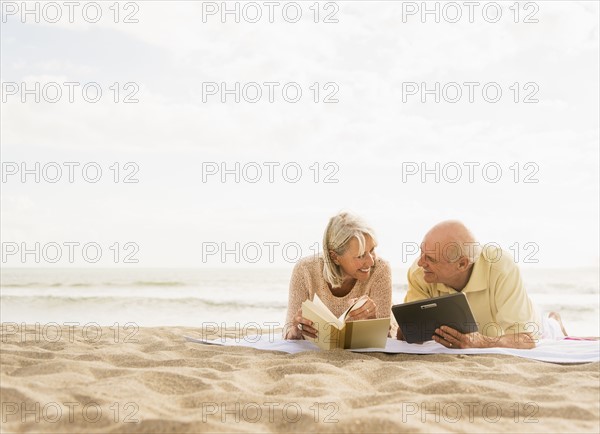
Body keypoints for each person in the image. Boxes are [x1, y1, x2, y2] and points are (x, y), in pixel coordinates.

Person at [398, 220, 545, 349]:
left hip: (538, 326)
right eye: (421, 252)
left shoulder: (502, 269)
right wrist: (407, 331)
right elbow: (413, 333)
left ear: (462, 264)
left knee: (552, 326)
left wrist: (480, 342)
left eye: (430, 259)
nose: (420, 263)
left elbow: (525, 339)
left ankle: (554, 320)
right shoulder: (421, 273)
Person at [284, 212, 393, 340]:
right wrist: (296, 330)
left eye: (372, 250)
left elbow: (387, 338)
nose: (371, 261)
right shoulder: (305, 270)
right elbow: (288, 334)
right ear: (334, 257)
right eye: (360, 256)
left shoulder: (380, 269)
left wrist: (373, 322)